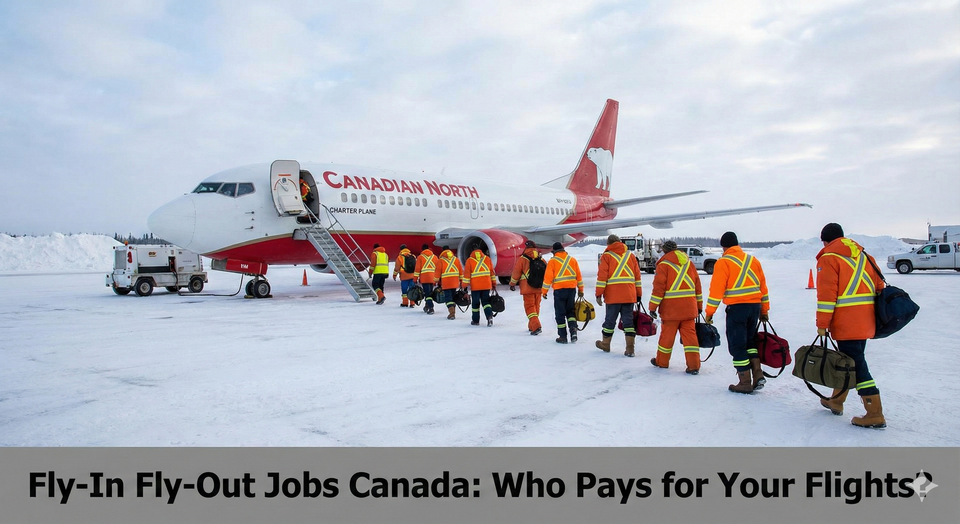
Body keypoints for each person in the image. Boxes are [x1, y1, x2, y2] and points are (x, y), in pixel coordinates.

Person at [815, 223, 887, 428]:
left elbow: (827, 297)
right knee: (849, 361)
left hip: (846, 322)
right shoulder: (865, 256)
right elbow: (879, 286)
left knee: (857, 366)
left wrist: (822, 324)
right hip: (867, 321)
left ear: (825, 241)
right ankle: (836, 400)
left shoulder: (828, 258)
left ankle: (874, 412)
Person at [705, 231, 770, 393]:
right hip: (755, 307)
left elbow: (716, 291)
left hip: (737, 309)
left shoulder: (723, 262)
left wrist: (709, 312)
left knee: (737, 345)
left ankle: (745, 382)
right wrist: (765, 310)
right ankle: (758, 373)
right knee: (750, 342)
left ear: (723, 246)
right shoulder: (753, 260)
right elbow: (763, 288)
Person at [648, 240, 703, 373]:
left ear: (665, 251)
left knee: (667, 337)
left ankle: (662, 362)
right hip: (689, 309)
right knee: (690, 339)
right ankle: (694, 365)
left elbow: (658, 289)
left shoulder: (663, 265)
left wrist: (652, 307)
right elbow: (697, 286)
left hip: (671, 310)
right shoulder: (689, 264)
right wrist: (699, 306)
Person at [595, 234, 642, 356]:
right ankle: (630, 349)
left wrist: (599, 294)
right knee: (628, 322)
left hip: (613, 295)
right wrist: (638, 294)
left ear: (609, 244)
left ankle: (606, 344)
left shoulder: (607, 256)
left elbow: (602, 277)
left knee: (610, 321)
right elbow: (637, 277)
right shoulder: (631, 256)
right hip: (629, 295)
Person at [542, 242, 584, 344]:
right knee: (570, 312)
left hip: (559, 291)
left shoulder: (552, 262)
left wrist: (544, 291)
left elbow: (548, 278)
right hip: (571, 290)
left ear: (554, 251)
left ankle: (563, 336)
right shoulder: (572, 260)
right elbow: (579, 276)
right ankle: (573, 330)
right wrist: (581, 290)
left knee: (560, 314)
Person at [509, 240, 544, 335]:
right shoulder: (540, 258)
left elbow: (516, 272)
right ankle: (532, 326)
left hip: (527, 287)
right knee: (536, 307)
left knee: (529, 307)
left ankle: (536, 326)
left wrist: (512, 283)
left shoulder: (523, 258)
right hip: (539, 287)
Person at [462, 247, 497, 326]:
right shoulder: (487, 259)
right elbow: (492, 273)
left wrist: (464, 287)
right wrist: (494, 284)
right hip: (486, 285)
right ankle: (489, 317)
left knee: (475, 304)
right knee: (486, 302)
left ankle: (475, 320)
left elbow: (466, 276)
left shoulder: (469, 261)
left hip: (475, 287)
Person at [435, 245, 463, 320]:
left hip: (446, 283)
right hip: (455, 282)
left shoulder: (441, 260)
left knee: (448, 299)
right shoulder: (456, 259)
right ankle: (453, 312)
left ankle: (451, 313)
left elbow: (437, 272)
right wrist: (461, 281)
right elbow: (460, 271)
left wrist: (435, 281)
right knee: (453, 297)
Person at [414, 244, 438, 315]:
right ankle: (427, 305)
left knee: (427, 294)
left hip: (424, 278)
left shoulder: (420, 257)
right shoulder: (435, 257)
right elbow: (438, 268)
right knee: (429, 292)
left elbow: (417, 269)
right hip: (433, 278)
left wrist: (415, 279)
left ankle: (431, 307)